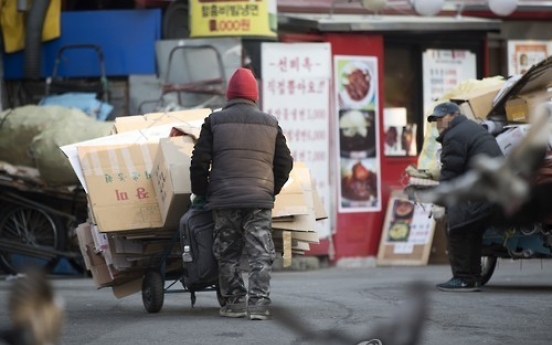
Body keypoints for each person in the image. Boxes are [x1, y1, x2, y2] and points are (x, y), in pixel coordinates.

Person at [190, 67, 294, 319]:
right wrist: (271, 191)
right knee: (260, 252)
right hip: (259, 199)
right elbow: (285, 163)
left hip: (224, 200)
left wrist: (202, 193)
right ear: (254, 95)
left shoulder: (214, 121)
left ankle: (235, 302)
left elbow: (199, 162)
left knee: (227, 253)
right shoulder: (271, 123)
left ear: (229, 95)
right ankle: (258, 304)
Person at [428, 102, 503, 292]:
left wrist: (440, 203)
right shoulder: (469, 129)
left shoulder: (455, 135)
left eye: (440, 118)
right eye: (436, 120)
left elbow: (450, 173)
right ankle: (474, 277)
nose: (438, 123)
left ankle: (463, 278)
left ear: (453, 115)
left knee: (457, 227)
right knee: (472, 232)